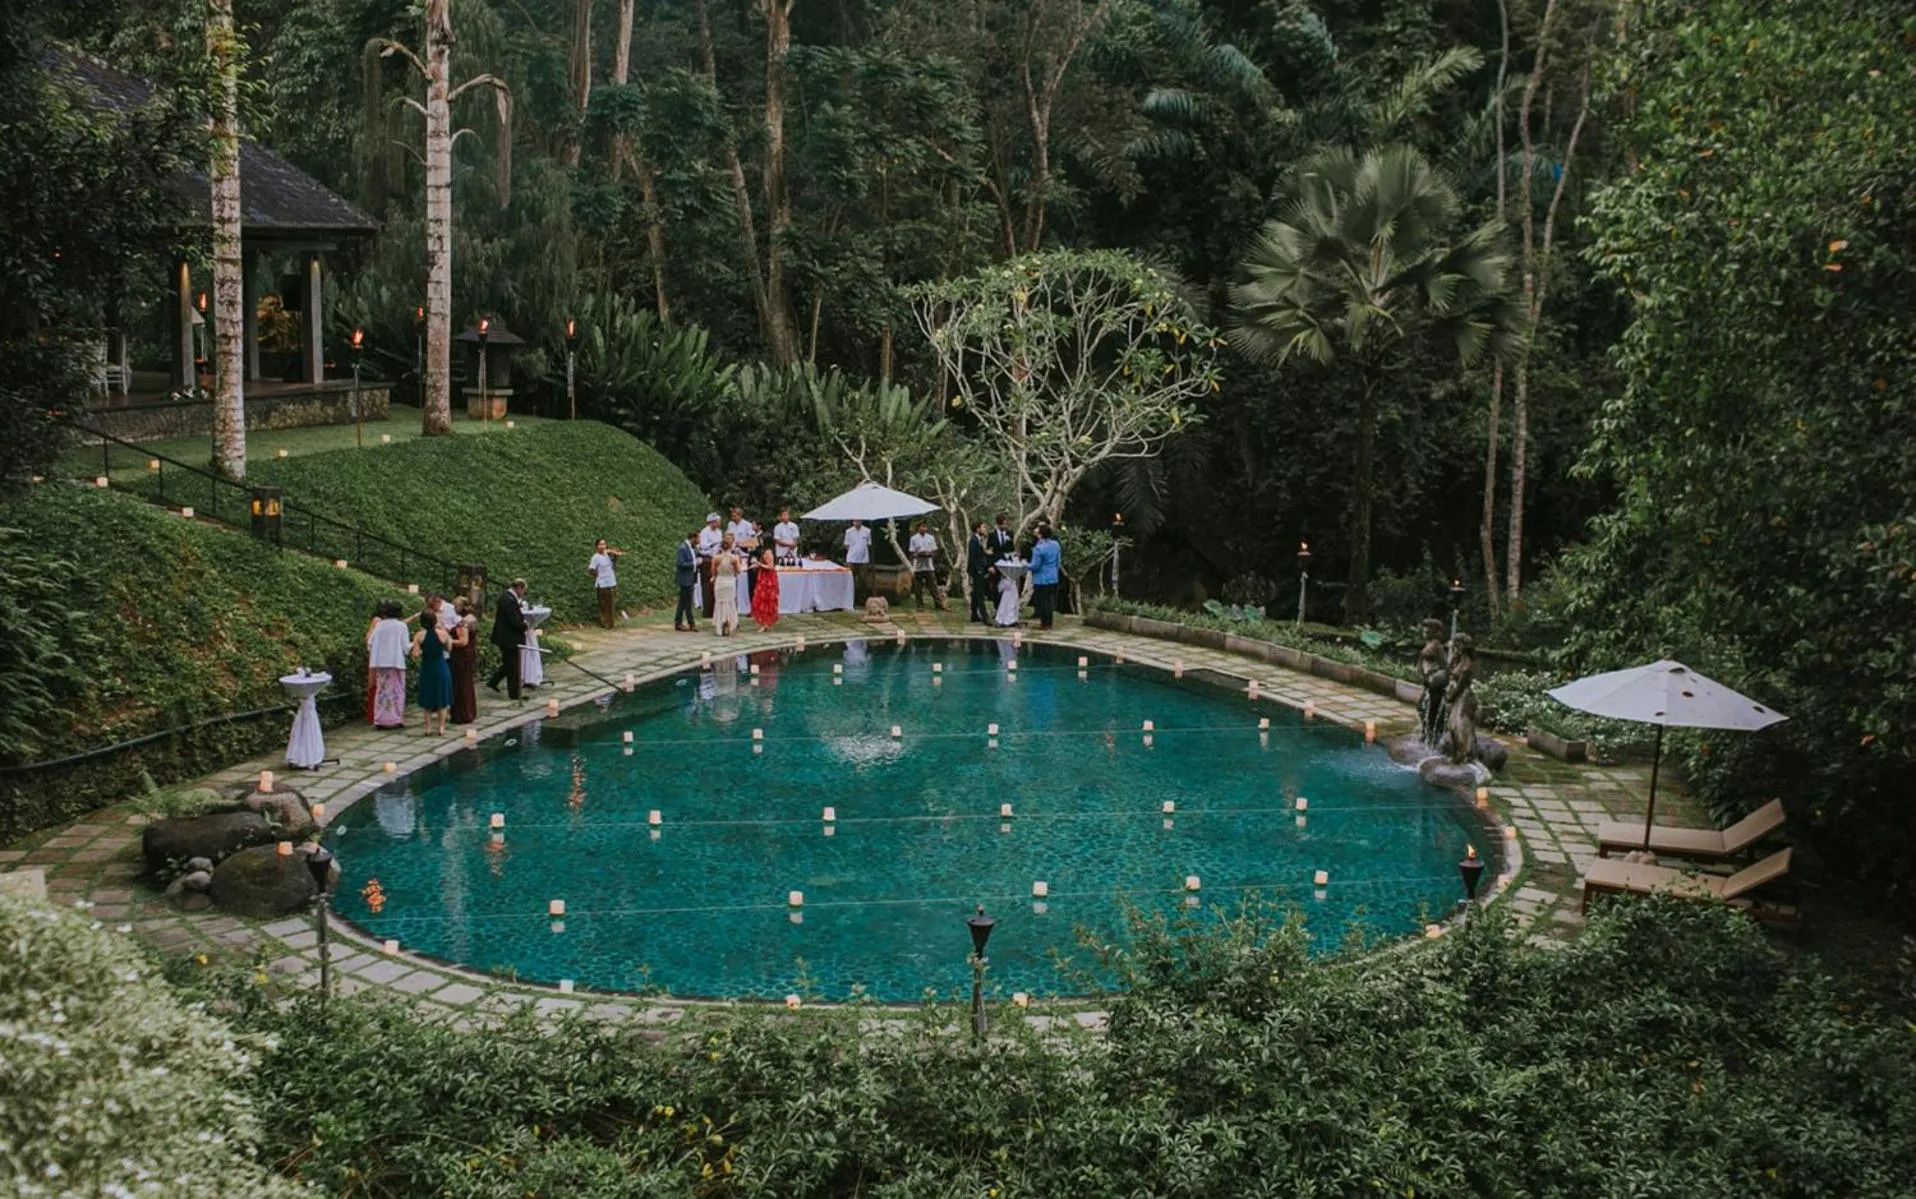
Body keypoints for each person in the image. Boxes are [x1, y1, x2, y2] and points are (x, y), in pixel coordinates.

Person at [411, 594, 453, 735]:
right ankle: (441, 727)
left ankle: (428, 728)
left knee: (427, 698)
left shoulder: (419, 635)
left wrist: (424, 651)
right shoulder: (443, 634)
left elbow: (415, 654)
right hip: (441, 666)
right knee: (442, 698)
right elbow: (449, 649)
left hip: (427, 667)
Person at [366, 601, 411, 728]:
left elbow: (370, 642)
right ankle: (396, 718)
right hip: (396, 661)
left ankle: (380, 719)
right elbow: (405, 647)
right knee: (397, 690)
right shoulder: (401, 626)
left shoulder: (380, 625)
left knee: (382, 690)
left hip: (381, 662)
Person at [487, 578, 530, 699]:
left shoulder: (506, 597)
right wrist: (526, 625)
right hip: (509, 638)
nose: (523, 593)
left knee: (509, 663)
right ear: (519, 587)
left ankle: (493, 681)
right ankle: (514, 693)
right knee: (513, 666)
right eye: (523, 590)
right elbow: (514, 621)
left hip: (505, 636)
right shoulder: (509, 600)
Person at [448, 596, 478, 725]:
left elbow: (463, 641)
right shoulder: (473, 618)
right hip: (470, 654)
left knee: (460, 685)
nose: (454, 608)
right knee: (466, 683)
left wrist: (449, 640)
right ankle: (469, 711)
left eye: (456, 606)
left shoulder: (463, 623)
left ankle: (462, 714)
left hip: (461, 656)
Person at [1028, 523, 1061, 630]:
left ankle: (1044, 623)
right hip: (1053, 577)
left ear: (1041, 535)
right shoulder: (1055, 544)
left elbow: (1035, 566)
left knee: (1042, 601)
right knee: (1049, 600)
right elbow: (1058, 562)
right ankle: (1049, 622)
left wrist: (1024, 564)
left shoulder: (1039, 548)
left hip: (1041, 578)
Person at [587, 538, 623, 629]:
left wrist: (615, 556)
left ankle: (611, 623)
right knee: (603, 604)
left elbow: (613, 566)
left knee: (611, 603)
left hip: (611, 582)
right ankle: (605, 623)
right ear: (596, 546)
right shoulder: (595, 557)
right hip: (602, 584)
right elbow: (591, 569)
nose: (602, 546)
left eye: (604, 544)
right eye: (600, 544)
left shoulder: (608, 555)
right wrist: (598, 575)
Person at [712, 534, 743, 636]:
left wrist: (715, 576)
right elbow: (738, 571)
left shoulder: (716, 558)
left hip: (720, 582)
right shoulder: (734, 558)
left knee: (720, 604)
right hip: (730, 582)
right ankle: (729, 624)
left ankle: (720, 625)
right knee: (730, 603)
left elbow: (713, 572)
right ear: (730, 546)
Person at [908, 520, 942, 610]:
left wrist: (929, 554)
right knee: (918, 588)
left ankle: (938, 604)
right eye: (922, 527)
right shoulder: (914, 538)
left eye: (925, 527)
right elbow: (912, 553)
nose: (924, 528)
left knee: (933, 587)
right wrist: (918, 554)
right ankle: (920, 605)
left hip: (929, 566)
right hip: (918, 566)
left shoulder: (931, 538)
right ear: (918, 528)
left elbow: (935, 550)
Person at [697, 513, 724, 619]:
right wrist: (714, 543)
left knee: (716, 586)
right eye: (717, 521)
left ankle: (715, 609)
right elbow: (703, 547)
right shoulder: (705, 532)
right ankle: (707, 611)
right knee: (707, 586)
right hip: (707, 560)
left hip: (717, 559)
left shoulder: (719, 532)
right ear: (712, 522)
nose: (719, 523)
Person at [966, 520, 993, 623]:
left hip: (981, 569)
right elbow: (974, 558)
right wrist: (979, 570)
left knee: (976, 593)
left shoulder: (980, 540)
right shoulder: (973, 541)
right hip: (977, 571)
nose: (985, 529)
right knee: (980, 594)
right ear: (978, 529)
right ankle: (985, 616)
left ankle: (974, 615)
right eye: (983, 527)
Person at [674, 530, 700, 632]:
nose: (699, 540)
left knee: (683, 602)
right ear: (693, 538)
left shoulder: (692, 548)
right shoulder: (683, 548)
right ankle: (691, 623)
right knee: (687, 602)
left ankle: (678, 622)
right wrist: (694, 564)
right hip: (685, 579)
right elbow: (680, 563)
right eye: (698, 538)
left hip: (690, 578)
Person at [751, 547, 781, 630]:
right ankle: (765, 623)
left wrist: (758, 563)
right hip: (764, 577)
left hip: (768, 580)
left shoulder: (768, 552)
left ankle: (766, 623)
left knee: (766, 600)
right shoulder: (766, 551)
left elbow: (770, 567)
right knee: (763, 600)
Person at [844, 518, 872, 595]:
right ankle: (850, 598)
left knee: (863, 580)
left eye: (858, 521)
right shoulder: (848, 532)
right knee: (850, 579)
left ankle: (862, 599)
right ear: (853, 522)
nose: (857, 523)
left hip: (863, 560)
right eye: (855, 521)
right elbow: (847, 545)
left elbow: (869, 544)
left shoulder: (867, 531)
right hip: (851, 559)